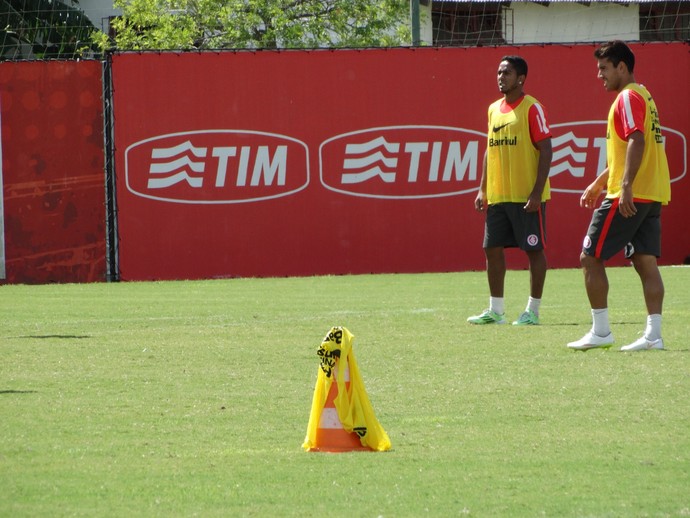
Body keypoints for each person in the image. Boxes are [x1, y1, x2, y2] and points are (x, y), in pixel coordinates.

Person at [567, 40, 671, 351]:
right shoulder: (644, 95)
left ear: (621, 67)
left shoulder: (627, 97)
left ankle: (601, 332)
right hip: (651, 192)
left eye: (604, 68)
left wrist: (624, 186)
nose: (599, 75)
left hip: (632, 194)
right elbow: (629, 149)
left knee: (589, 256)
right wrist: (601, 181)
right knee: (645, 261)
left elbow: (636, 141)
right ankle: (654, 336)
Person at [468, 55, 553, 326]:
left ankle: (533, 311)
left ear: (521, 78)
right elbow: (488, 150)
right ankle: (496, 311)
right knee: (491, 249)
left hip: (526, 196)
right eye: (499, 72)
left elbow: (547, 149)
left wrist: (537, 192)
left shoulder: (533, 108)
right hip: (498, 196)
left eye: (507, 72)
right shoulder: (493, 109)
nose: (501, 77)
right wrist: (483, 189)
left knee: (534, 251)